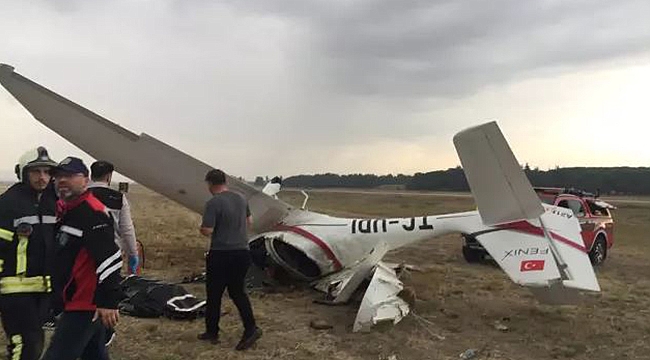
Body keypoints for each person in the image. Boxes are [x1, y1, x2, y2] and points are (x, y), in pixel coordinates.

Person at [42, 157, 122, 360]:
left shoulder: (91, 213)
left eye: (69, 176)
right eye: (58, 176)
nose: (61, 181)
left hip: (84, 304)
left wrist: (108, 301)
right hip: (76, 301)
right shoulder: (69, 210)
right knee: (93, 354)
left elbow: (110, 257)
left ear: (86, 180)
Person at [0, 147, 58, 360]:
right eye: (36, 172)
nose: (42, 177)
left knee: (34, 343)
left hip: (43, 290)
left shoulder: (53, 204)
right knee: (25, 344)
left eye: (46, 172)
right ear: (23, 173)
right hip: (14, 290)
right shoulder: (8, 204)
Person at [198, 169, 262, 350]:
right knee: (237, 292)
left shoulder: (213, 203)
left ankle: (212, 332)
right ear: (225, 182)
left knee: (214, 293)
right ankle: (250, 328)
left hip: (221, 253)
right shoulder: (241, 198)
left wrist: (202, 228)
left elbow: (207, 230)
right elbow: (250, 221)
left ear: (210, 183)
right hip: (242, 252)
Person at [89, 160, 140, 275]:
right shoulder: (118, 198)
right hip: (112, 254)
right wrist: (133, 253)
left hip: (85, 253)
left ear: (91, 175)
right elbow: (127, 229)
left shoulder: (81, 196)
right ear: (109, 176)